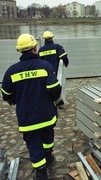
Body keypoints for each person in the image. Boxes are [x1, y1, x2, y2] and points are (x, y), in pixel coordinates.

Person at [1, 33, 62, 180]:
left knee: (34, 145)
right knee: (48, 138)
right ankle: (49, 157)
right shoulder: (45, 66)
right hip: (46, 115)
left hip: (27, 118)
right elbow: (55, 90)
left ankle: (41, 173)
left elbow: (6, 94)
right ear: (35, 48)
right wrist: (52, 100)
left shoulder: (11, 71)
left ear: (20, 51)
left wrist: (17, 100)